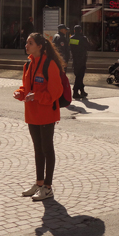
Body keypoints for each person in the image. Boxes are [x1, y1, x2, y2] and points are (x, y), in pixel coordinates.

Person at [15, 33, 64, 202]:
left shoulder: (50, 64)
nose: (27, 45)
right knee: (37, 149)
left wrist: (36, 96)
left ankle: (48, 187)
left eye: (30, 43)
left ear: (40, 46)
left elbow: (56, 91)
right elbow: (25, 86)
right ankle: (39, 183)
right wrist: (20, 93)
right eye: (27, 42)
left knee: (47, 149)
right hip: (32, 113)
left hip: (46, 113)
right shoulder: (28, 64)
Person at [69, 25, 90, 98]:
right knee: (79, 76)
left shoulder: (71, 38)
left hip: (75, 59)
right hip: (82, 59)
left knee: (78, 75)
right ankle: (75, 91)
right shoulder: (83, 38)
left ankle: (82, 90)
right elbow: (88, 46)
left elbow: (72, 48)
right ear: (81, 30)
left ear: (74, 30)